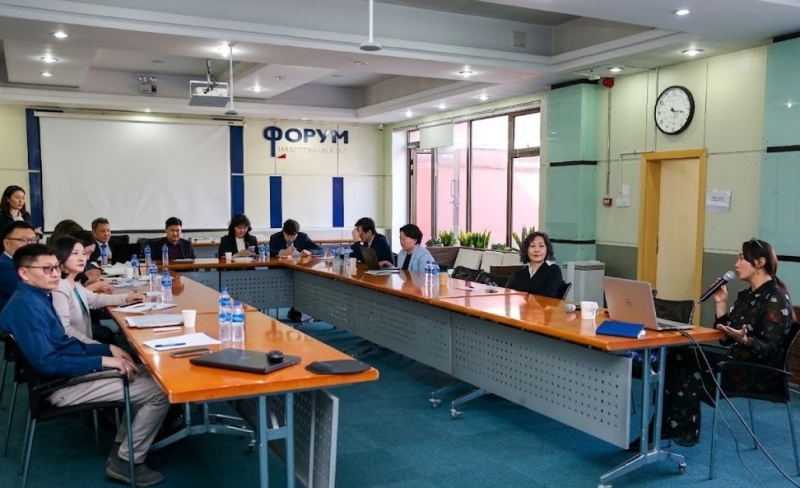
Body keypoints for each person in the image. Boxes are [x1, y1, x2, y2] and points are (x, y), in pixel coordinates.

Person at [0, 244, 169, 486]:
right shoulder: (27, 308)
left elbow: (63, 343)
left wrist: (106, 349)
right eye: (47, 269)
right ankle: (126, 460)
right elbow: (49, 363)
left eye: (56, 267)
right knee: (160, 390)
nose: (55, 273)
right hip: (59, 385)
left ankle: (125, 449)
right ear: (24, 273)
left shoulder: (36, 296)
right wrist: (103, 360)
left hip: (68, 371)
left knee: (149, 373)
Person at [658, 238, 794, 448]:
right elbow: (725, 338)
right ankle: (668, 429)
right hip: (734, 360)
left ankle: (673, 430)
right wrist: (721, 304)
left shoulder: (776, 298)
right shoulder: (746, 295)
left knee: (687, 366)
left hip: (758, 371)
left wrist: (745, 339)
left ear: (760, 263)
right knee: (678, 355)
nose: (736, 264)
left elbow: (768, 348)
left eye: (741, 258)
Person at [51, 236, 143, 345]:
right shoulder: (59, 288)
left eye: (83, 253)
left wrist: (127, 298)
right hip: (76, 348)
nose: (82, 258)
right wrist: (98, 347)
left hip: (84, 344)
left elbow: (96, 300)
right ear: (61, 257)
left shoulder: (74, 284)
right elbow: (65, 331)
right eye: (75, 253)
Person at [507, 231, 564, 298]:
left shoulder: (554, 271)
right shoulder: (519, 274)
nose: (537, 250)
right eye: (532, 246)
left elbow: (548, 296)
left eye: (541, 246)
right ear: (526, 250)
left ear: (547, 249)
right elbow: (510, 295)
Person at [0, 221, 38, 310]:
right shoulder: (4, 267)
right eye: (23, 240)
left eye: (33, 240)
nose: (30, 245)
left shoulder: (23, 263)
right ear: (7, 244)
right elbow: (29, 293)